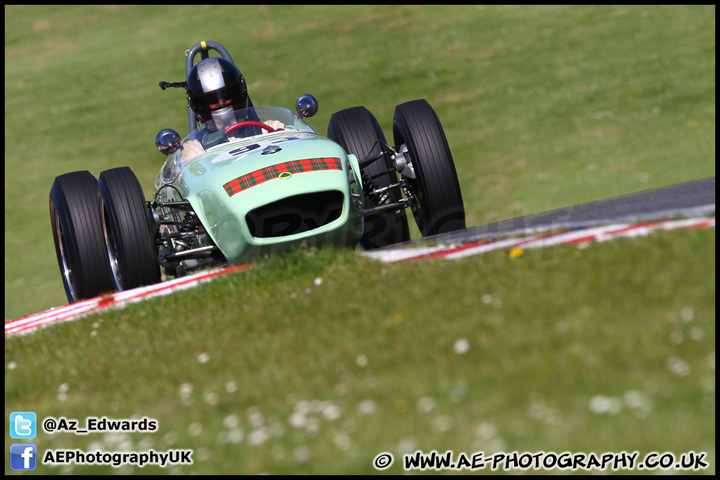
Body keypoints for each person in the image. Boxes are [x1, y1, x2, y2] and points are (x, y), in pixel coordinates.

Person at [181, 57, 283, 161]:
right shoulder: (195, 149)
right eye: (212, 100)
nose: (221, 103)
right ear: (199, 105)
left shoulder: (269, 128)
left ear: (239, 92)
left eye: (227, 95)